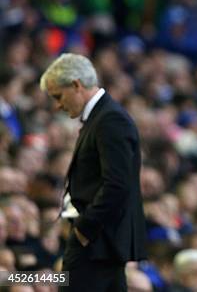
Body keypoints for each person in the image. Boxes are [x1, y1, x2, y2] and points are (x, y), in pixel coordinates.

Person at [39, 53, 146, 291]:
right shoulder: (103, 117)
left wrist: (84, 229)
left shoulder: (110, 120)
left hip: (97, 243)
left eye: (58, 96)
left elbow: (117, 184)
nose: (57, 104)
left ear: (76, 85)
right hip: (101, 242)